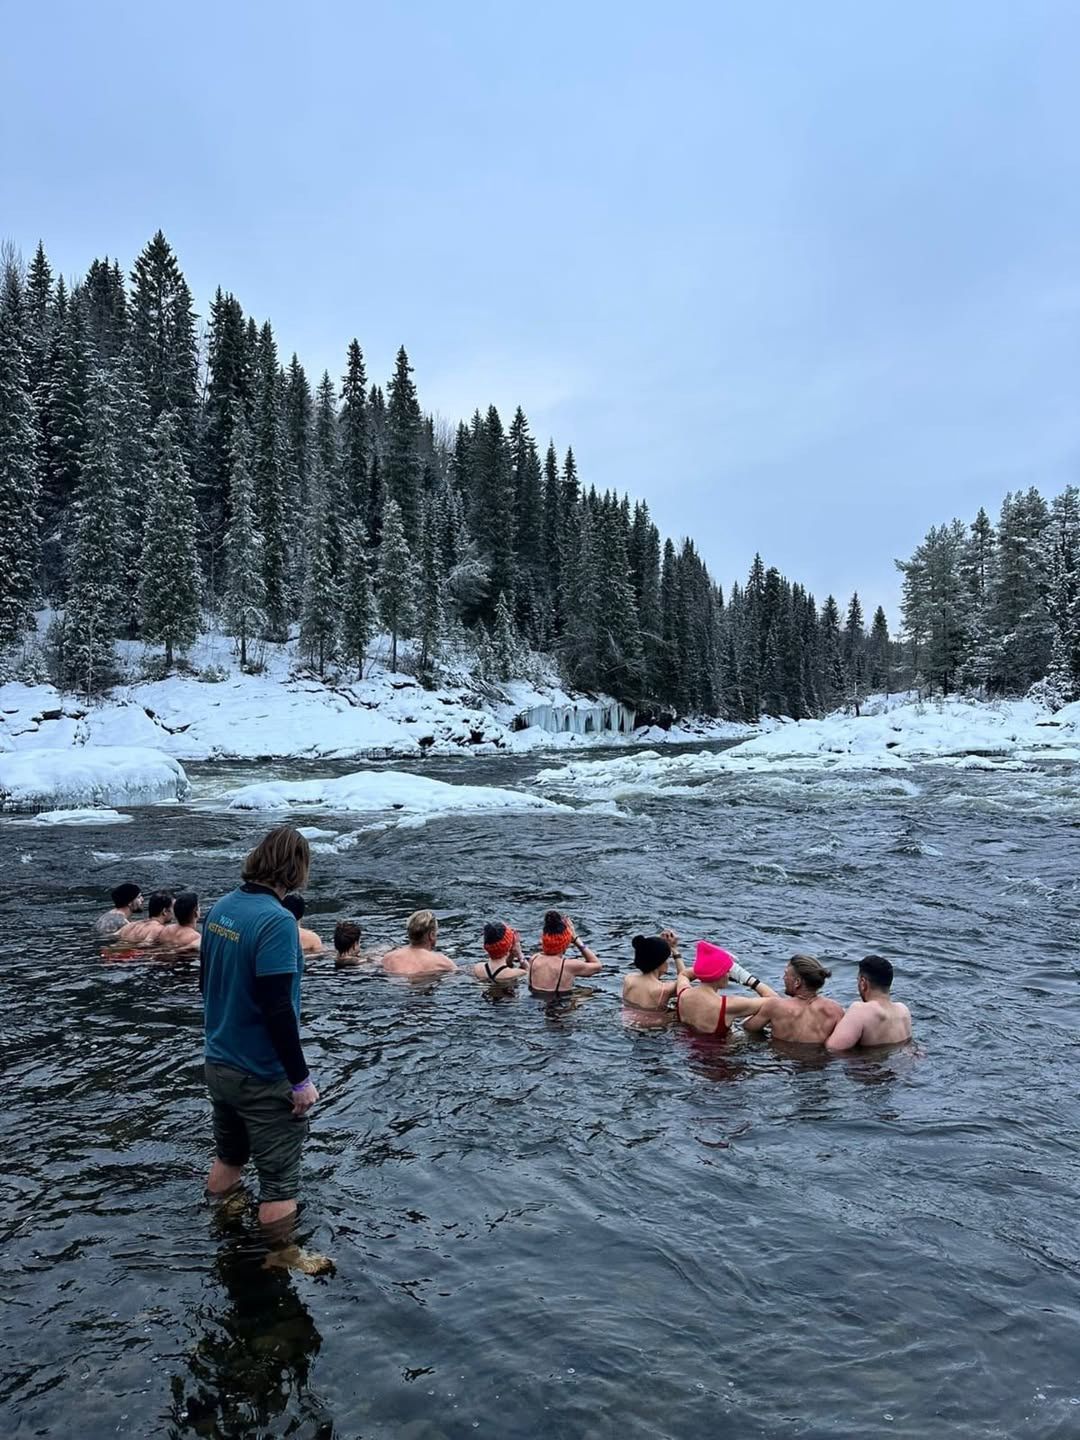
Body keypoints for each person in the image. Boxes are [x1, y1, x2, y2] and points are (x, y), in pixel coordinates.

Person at [200, 825, 318, 1232]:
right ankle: (277, 1260)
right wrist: (300, 1080)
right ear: (295, 868)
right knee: (280, 1184)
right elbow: (277, 1007)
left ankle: (220, 1226)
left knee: (229, 1157)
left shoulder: (220, 909)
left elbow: (206, 983)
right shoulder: (277, 922)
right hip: (261, 1073)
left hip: (218, 1061)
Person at [674, 940, 777, 1036]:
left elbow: (683, 974)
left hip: (687, 1050)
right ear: (721, 974)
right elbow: (774, 1001)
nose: (729, 975)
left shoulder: (683, 993)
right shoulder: (727, 1005)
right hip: (718, 1054)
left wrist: (704, 970)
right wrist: (746, 977)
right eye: (728, 971)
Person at [742, 954, 844, 1044]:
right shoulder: (835, 1010)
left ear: (797, 982)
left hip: (782, 1063)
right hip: (816, 1062)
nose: (783, 978)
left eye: (786, 974)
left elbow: (748, 1027)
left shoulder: (775, 1006)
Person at [826, 955, 912, 1051]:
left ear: (863, 983)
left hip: (868, 1064)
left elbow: (833, 1048)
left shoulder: (860, 1010)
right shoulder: (903, 1010)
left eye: (857, 980)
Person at [527, 911, 601, 998]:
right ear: (566, 943)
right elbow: (598, 966)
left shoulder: (534, 958)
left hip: (534, 1000)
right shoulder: (568, 965)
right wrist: (576, 939)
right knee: (589, 992)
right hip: (560, 1006)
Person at [621, 929, 682, 1010]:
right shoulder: (663, 989)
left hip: (626, 1021)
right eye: (667, 960)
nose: (668, 963)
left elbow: (648, 953)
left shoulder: (629, 979)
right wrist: (674, 950)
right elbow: (684, 978)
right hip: (657, 1022)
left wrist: (658, 943)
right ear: (661, 963)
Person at [382, 910, 456, 976]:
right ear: (432, 935)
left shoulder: (388, 958)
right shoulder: (442, 962)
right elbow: (457, 974)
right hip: (422, 983)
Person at [471, 922, 529, 987]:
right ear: (509, 946)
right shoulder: (517, 973)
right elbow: (530, 973)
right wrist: (519, 953)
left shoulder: (477, 968)